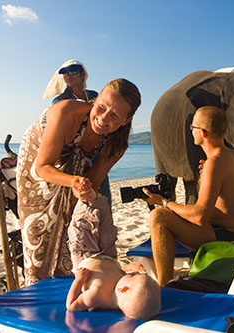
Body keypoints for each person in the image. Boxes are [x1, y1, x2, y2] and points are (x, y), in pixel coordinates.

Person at [17, 78, 141, 285]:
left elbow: (91, 182)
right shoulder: (65, 113)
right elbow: (42, 167)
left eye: (114, 116)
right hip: (38, 164)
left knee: (76, 225)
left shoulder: (117, 145)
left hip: (76, 174)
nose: (103, 118)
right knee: (39, 230)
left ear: (126, 121)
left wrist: (81, 189)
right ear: (95, 100)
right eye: (101, 107)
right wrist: (73, 180)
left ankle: (70, 282)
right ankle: (37, 283)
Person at [143, 106, 234, 286]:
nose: (191, 131)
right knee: (171, 214)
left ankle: (165, 285)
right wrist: (205, 180)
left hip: (229, 239)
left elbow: (200, 216)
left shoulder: (215, 162)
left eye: (192, 128)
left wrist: (164, 202)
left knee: (159, 216)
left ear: (202, 132)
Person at [44, 60, 112, 207]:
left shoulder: (94, 95)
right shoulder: (60, 101)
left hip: (95, 152)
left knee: (102, 196)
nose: (68, 75)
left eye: (73, 70)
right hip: (70, 156)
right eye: (64, 72)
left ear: (82, 74)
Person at [66, 255, 161, 319]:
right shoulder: (120, 285)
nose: (129, 275)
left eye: (132, 276)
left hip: (85, 256)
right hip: (108, 255)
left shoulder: (96, 296)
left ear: (123, 289)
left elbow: (71, 305)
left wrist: (79, 280)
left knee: (82, 227)